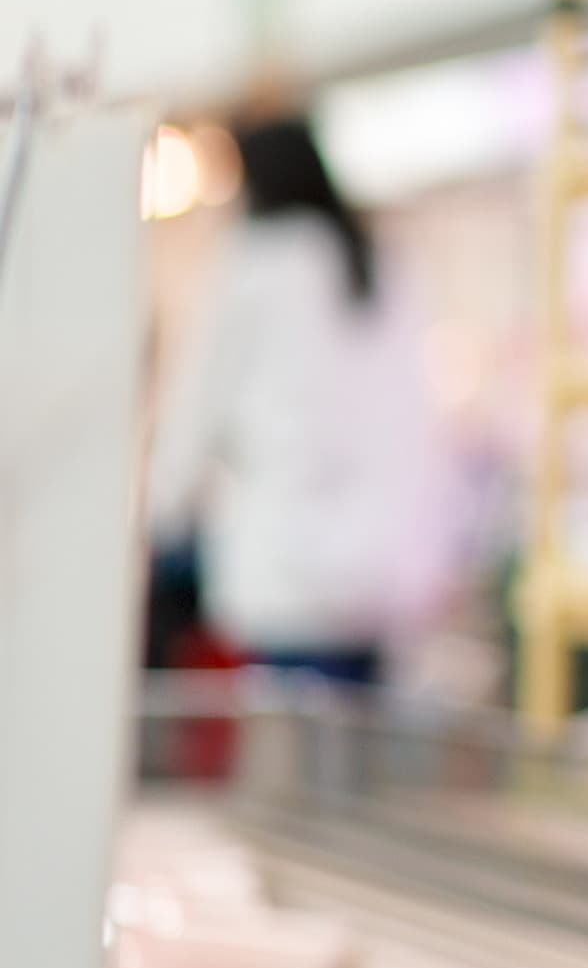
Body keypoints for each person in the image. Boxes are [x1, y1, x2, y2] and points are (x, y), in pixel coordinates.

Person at [148, 115, 442, 686]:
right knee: (358, 750)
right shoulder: (379, 264)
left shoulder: (255, 264)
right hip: (374, 580)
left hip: (287, 579)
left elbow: (196, 411)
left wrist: (163, 511)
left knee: (290, 750)